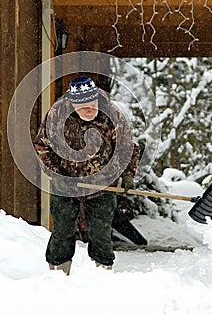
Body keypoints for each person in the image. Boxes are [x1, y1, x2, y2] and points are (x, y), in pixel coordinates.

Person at [34, 75, 140, 275]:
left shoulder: (112, 115)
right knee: (62, 230)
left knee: (100, 232)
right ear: (73, 104)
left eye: (93, 104)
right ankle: (57, 273)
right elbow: (43, 146)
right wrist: (57, 175)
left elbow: (128, 147)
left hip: (103, 183)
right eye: (84, 107)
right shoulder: (57, 114)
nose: (90, 110)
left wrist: (128, 174)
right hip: (65, 182)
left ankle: (102, 273)